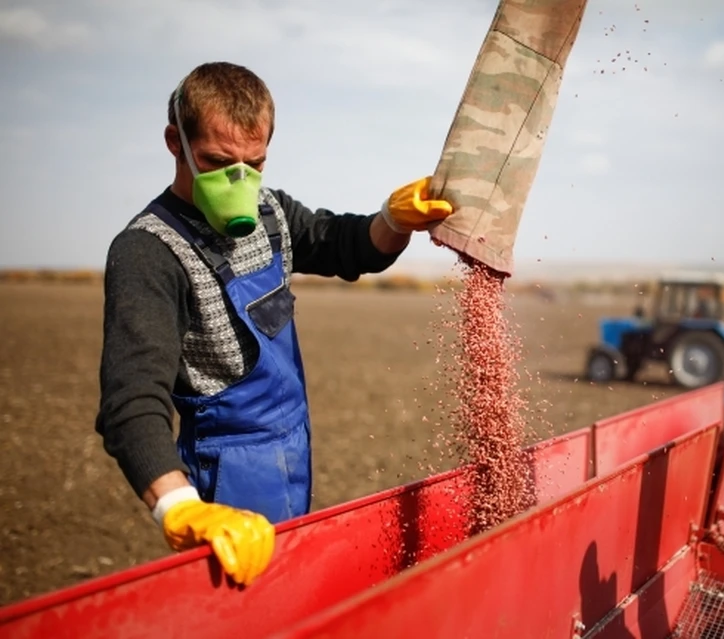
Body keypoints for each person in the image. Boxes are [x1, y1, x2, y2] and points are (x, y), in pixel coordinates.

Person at [94, 61, 454, 587]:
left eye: (254, 163)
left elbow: (346, 246)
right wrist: (179, 508)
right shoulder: (148, 253)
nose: (239, 181)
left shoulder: (270, 213)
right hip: (226, 474)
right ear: (177, 142)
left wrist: (394, 220)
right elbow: (130, 403)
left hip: (291, 449)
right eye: (217, 163)